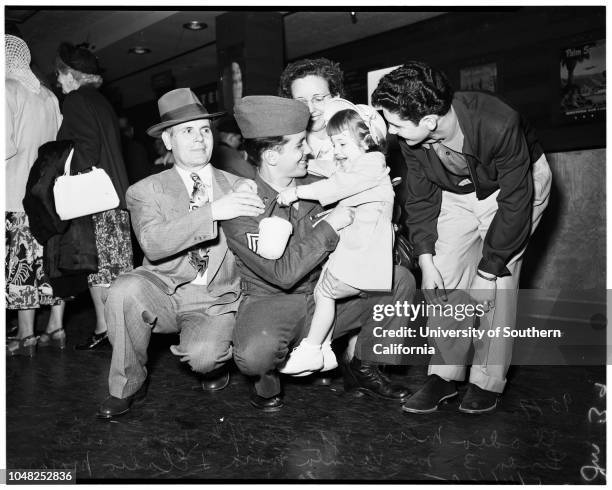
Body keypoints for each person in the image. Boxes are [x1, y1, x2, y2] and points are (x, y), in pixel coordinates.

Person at [372, 61, 552, 414]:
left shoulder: (499, 122)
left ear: (429, 121)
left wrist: (488, 270)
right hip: (455, 188)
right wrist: (425, 260)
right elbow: (421, 198)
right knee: (445, 269)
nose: (391, 131)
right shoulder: (414, 134)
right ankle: (445, 373)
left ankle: (487, 380)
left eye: (394, 123)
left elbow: (515, 205)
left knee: (498, 279)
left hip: (512, 186)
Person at [223, 95, 415, 412]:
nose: (310, 150)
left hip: (327, 291)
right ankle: (266, 376)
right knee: (255, 354)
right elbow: (281, 274)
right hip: (274, 303)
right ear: (272, 156)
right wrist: (331, 226)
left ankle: (365, 367)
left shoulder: (323, 181)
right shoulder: (243, 206)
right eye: (299, 145)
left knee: (400, 280)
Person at [97, 88, 265, 419]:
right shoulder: (145, 191)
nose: (200, 138)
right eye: (188, 130)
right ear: (169, 141)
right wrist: (214, 211)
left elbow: (261, 248)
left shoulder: (239, 186)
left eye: (205, 129)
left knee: (204, 358)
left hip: (215, 297)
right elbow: (154, 243)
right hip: (161, 289)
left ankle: (214, 366)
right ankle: (127, 385)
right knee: (123, 290)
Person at [276, 100, 394, 376]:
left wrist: (297, 192)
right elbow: (330, 168)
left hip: (365, 255)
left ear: (368, 141)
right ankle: (325, 351)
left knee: (326, 292)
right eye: (334, 144)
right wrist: (300, 160)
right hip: (354, 251)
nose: (336, 151)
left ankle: (311, 348)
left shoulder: (372, 163)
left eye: (342, 144)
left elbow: (339, 184)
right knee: (322, 292)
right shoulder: (357, 162)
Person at [55, 42, 133, 350]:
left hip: (96, 201)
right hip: (114, 198)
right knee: (110, 270)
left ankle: (112, 332)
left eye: (60, 75)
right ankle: (107, 328)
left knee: (101, 269)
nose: (58, 82)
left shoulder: (75, 100)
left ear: (71, 75)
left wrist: (61, 168)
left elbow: (87, 148)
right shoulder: (100, 101)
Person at [5, 34, 66, 356]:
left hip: (13, 193)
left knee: (21, 266)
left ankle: (26, 335)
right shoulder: (48, 96)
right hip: (48, 195)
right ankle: (56, 326)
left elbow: (4, 146)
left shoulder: (7, 89)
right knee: (48, 262)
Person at [211, 115, 255, 179]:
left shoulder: (215, 152)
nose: (240, 143)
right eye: (239, 139)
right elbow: (252, 174)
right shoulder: (230, 153)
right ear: (231, 138)